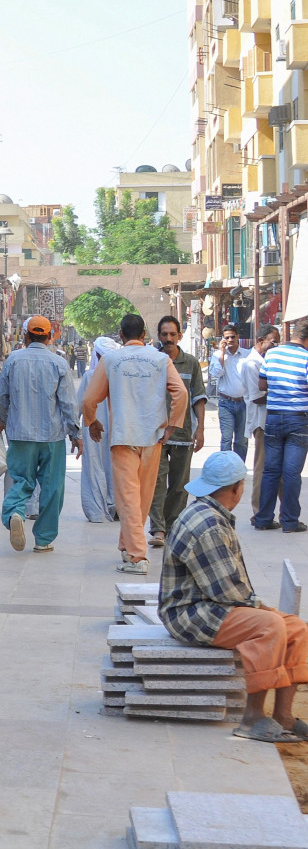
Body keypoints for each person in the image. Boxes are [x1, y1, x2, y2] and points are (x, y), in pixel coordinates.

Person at [160, 450, 308, 743]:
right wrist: (263, 610)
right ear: (238, 488)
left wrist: (263, 609)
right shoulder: (207, 524)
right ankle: (252, 718)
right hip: (188, 613)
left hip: (209, 603)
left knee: (297, 628)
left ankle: (283, 716)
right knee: (272, 626)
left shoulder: (211, 513)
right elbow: (228, 591)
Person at [81, 313, 187, 575]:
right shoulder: (161, 359)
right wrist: (172, 424)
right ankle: (129, 547)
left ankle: (138, 557)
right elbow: (181, 393)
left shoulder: (111, 360)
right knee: (142, 498)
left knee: (127, 498)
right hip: (153, 437)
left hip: (123, 436)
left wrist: (93, 422)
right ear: (144, 335)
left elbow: (88, 400)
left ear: (121, 335)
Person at [0, 315, 81, 553]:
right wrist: (75, 433)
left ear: (26, 336)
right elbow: (68, 403)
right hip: (52, 436)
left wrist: (2, 419)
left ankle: (16, 513)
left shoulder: (13, 360)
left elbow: (1, 396)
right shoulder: (59, 363)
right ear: (50, 337)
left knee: (22, 480)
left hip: (20, 434)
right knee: (52, 487)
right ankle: (43, 539)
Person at [148, 315, 208, 548]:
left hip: (183, 434)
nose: (168, 339)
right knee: (156, 482)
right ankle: (158, 529)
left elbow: (199, 398)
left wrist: (200, 429)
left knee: (179, 485)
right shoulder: (152, 360)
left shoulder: (191, 363)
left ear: (180, 336)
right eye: (164, 334)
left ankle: (173, 526)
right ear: (158, 336)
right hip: (157, 433)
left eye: (172, 334)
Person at [253, 320, 308, 533]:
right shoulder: (305, 357)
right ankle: (290, 521)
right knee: (292, 473)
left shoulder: (272, 354)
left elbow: (262, 384)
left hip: (273, 418)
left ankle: (264, 518)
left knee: (271, 470)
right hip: (298, 419)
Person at [78, 336, 120, 523]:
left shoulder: (89, 377)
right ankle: (116, 506)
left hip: (93, 429)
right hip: (118, 429)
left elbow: (80, 405)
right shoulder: (122, 376)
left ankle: (96, 510)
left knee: (94, 466)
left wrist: (74, 432)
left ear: (96, 354)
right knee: (117, 466)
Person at [245, 327, 279, 509]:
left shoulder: (265, 360)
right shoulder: (252, 364)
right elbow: (256, 397)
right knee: (261, 467)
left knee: (277, 468)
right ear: (260, 340)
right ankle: (257, 509)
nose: (275, 346)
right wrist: (281, 392)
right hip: (261, 421)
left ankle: (285, 512)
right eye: (273, 342)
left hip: (271, 420)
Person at [211, 325, 253, 459]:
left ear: (238, 337)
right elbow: (217, 373)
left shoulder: (247, 355)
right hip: (226, 403)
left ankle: (238, 470)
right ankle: (225, 470)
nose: (230, 340)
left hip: (243, 403)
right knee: (226, 439)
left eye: (232, 337)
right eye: (226, 337)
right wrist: (222, 353)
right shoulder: (218, 355)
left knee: (242, 441)